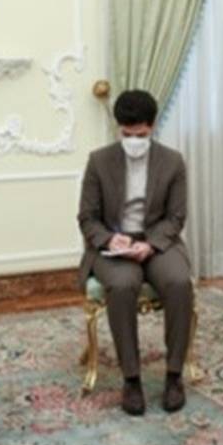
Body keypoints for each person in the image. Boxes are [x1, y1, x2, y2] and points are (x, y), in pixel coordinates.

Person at [77, 90, 194, 416]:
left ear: (152, 127)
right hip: (114, 246)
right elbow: (87, 217)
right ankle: (131, 379)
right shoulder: (99, 161)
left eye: (140, 135)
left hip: (157, 241)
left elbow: (176, 217)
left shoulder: (172, 161)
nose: (134, 141)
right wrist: (109, 240)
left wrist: (151, 244)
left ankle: (174, 375)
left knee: (179, 282)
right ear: (119, 129)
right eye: (127, 135)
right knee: (123, 285)